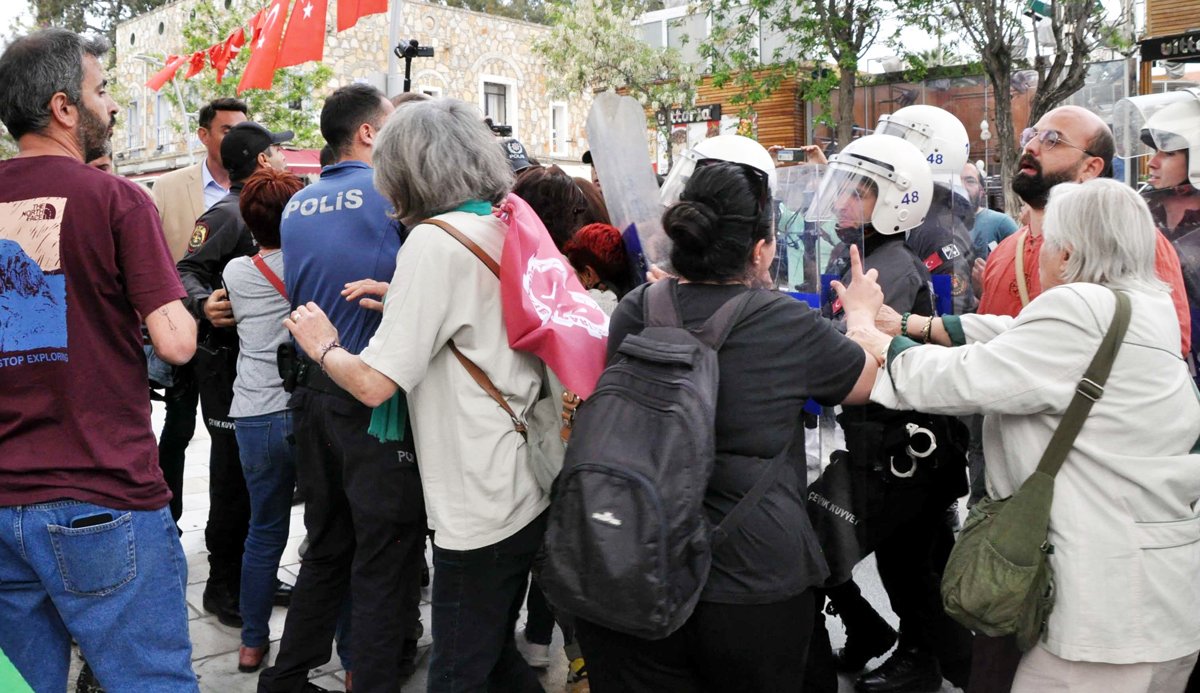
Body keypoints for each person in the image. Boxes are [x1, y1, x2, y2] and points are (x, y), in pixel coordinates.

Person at [836, 178, 1200, 693]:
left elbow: (962, 378)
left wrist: (864, 328)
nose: (1039, 252)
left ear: (1069, 253)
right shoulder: (1140, 307)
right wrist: (913, 326)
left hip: (1104, 620)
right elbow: (1015, 335)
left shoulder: (1080, 310)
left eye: (1045, 242)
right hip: (1159, 598)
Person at [569, 160, 879, 691]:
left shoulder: (636, 308)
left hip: (634, 560)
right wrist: (862, 318)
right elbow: (864, 380)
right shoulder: (786, 322)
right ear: (760, 250)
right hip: (752, 575)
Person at [284, 98, 547, 692]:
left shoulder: (432, 243)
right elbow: (471, 320)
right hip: (517, 481)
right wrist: (402, 297)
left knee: (456, 672)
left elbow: (376, 384)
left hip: (475, 503)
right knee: (494, 657)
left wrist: (323, 345)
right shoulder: (492, 223)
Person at [0, 27, 198, 691]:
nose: (112, 106)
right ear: (63, 107)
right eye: (102, 90)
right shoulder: (114, 199)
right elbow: (175, 342)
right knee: (151, 680)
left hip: (4, 497)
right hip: (101, 494)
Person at [259, 84, 425, 693]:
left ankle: (286, 678)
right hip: (368, 399)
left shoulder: (296, 204)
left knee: (326, 548)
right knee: (387, 555)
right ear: (368, 134)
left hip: (310, 398)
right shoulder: (390, 197)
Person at [808, 134, 974, 693]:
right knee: (911, 564)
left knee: (909, 569)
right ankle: (917, 655)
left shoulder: (889, 269)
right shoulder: (863, 257)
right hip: (888, 444)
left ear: (895, 200)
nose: (840, 204)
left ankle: (957, 667)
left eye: (857, 193)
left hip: (905, 449)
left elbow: (852, 348)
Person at [177, 120, 292, 629]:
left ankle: (254, 575)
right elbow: (184, 271)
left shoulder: (288, 209)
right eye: (279, 151)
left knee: (257, 485)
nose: (286, 157)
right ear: (263, 160)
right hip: (225, 370)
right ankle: (222, 587)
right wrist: (205, 305)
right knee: (229, 480)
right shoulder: (225, 214)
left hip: (266, 371)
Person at [977, 106, 1190, 357]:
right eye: (1031, 135)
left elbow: (1168, 345)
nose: (1031, 147)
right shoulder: (1004, 250)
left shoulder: (1130, 242)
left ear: (1090, 168)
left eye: (1052, 140)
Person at [150, 97, 250, 528]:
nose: (235, 136)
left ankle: (225, 536)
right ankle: (166, 523)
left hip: (231, 346)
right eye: (226, 128)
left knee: (227, 442)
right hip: (180, 330)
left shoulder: (257, 193)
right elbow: (157, 262)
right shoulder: (170, 187)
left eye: (241, 128)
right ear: (204, 135)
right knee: (177, 430)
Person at [224, 167, 305, 673]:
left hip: (252, 412)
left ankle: (252, 643)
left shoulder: (234, 272)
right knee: (329, 531)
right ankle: (350, 652)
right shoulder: (308, 262)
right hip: (302, 409)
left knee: (264, 529)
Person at [961, 162, 1017, 261]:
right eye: (957, 180)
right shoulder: (940, 227)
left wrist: (988, 275)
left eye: (970, 181)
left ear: (981, 191)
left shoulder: (1002, 224)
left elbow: (1021, 269)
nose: (962, 186)